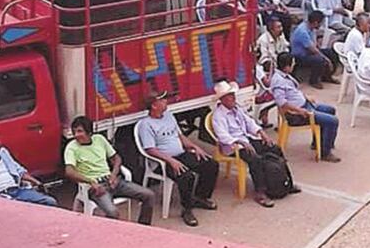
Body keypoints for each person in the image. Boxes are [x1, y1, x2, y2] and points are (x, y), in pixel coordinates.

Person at [210, 80, 299, 208]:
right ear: (222, 99)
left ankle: (286, 183)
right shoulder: (218, 115)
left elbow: (249, 122)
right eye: (229, 96)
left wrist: (262, 133)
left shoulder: (237, 108)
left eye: (233, 95)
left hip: (247, 139)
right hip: (233, 146)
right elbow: (223, 136)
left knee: (275, 149)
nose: (233, 97)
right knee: (255, 159)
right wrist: (240, 142)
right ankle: (260, 192)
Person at [136, 91, 219, 227]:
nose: (165, 102)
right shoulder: (146, 124)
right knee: (186, 176)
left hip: (181, 154)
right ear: (154, 106)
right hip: (164, 161)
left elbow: (180, 136)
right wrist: (171, 160)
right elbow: (150, 149)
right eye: (162, 100)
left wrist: (194, 147)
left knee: (211, 164)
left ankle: (200, 197)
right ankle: (187, 209)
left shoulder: (169, 116)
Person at [64, 116, 153, 224]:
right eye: (74, 132)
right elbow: (69, 171)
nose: (76, 135)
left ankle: (143, 227)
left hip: (112, 181)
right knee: (113, 212)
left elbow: (116, 158)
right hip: (96, 187)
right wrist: (90, 181)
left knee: (149, 195)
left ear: (89, 132)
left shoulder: (99, 139)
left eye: (80, 131)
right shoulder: (72, 147)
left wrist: (114, 174)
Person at [271, 52, 341, 162]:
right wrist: (300, 110)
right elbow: (281, 102)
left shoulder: (285, 76)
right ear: (287, 67)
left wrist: (305, 97)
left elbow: (293, 92)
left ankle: (318, 143)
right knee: (332, 121)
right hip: (297, 114)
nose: (294, 66)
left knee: (330, 110)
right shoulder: (278, 81)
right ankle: (325, 153)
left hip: (306, 104)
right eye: (292, 64)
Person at [0, 129, 58, 207]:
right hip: (0, 196)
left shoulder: (3, 152)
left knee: (49, 201)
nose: (0, 143)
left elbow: (19, 171)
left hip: (18, 190)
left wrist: (36, 182)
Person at [290, 10, 339, 89]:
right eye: (320, 23)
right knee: (319, 59)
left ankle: (327, 76)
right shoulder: (302, 31)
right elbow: (313, 49)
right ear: (316, 23)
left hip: (308, 52)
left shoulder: (311, 28)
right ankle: (314, 81)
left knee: (331, 53)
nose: (321, 25)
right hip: (299, 56)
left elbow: (315, 45)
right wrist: (327, 59)